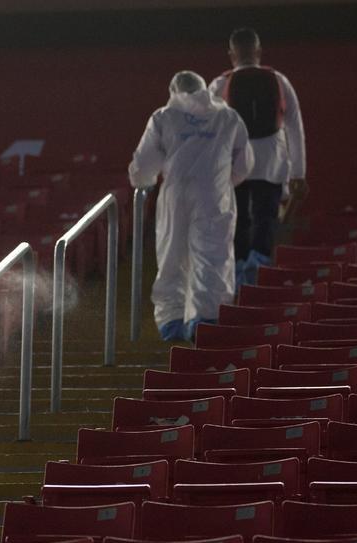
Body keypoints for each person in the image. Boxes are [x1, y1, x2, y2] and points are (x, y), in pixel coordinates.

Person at [129, 70, 253, 342]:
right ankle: (204, 320)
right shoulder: (228, 117)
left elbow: (142, 166)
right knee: (211, 257)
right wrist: (223, 181)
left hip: (176, 193)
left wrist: (144, 180)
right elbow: (245, 163)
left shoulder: (163, 117)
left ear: (174, 91)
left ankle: (172, 321)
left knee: (172, 255)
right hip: (213, 195)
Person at [210, 27, 307, 286]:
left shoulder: (220, 85)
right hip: (271, 162)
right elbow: (295, 128)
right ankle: (259, 271)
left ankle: (240, 273)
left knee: (238, 220)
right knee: (265, 219)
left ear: (231, 54)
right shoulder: (279, 80)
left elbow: (209, 133)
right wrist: (299, 173)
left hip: (235, 164)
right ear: (259, 52)